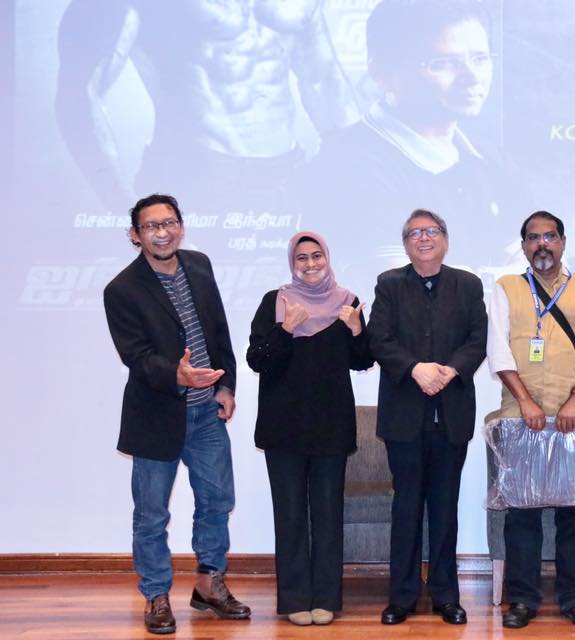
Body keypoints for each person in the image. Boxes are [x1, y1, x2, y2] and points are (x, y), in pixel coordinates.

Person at [297, 0, 516, 301]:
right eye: (443, 63)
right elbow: (407, 296)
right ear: (381, 72)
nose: (472, 76)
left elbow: (535, 268)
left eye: (480, 58)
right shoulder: (346, 166)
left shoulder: (488, 159)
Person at [103, 193, 250, 635]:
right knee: (152, 514)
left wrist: (226, 385)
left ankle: (209, 585)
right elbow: (136, 357)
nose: (162, 232)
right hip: (156, 416)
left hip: (207, 414)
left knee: (217, 502)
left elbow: (218, 329)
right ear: (136, 235)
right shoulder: (122, 289)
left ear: (181, 227)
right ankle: (156, 595)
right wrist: (177, 375)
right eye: (151, 226)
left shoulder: (199, 265)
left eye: (168, 223)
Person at [56, 0, 359, 213]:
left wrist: (356, 178)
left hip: (286, 175)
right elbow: (79, 98)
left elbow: (324, 81)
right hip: (192, 179)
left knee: (289, 286)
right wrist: (124, 208)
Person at [486, 210, 575, 629]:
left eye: (550, 236)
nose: (542, 244)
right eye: (534, 238)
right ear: (523, 246)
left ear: (563, 242)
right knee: (521, 513)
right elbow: (498, 350)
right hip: (521, 416)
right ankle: (522, 600)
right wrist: (525, 401)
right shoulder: (506, 288)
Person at [366, 209, 488, 626]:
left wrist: (450, 371)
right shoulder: (389, 284)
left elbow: (478, 339)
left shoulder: (467, 285)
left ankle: (445, 595)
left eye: (431, 231)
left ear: (445, 240)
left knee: (445, 509)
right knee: (406, 509)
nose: (423, 238)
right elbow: (378, 339)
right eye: (415, 232)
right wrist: (415, 369)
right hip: (404, 417)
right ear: (406, 244)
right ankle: (401, 597)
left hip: (451, 414)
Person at [246, 231, 373, 626]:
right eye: (302, 258)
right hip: (283, 429)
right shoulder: (276, 302)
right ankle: (295, 599)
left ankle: (326, 599)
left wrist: (356, 329)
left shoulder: (347, 302)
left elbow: (363, 360)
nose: (310, 263)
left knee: (328, 516)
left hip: (330, 427)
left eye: (317, 256)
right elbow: (257, 359)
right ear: (292, 263)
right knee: (290, 517)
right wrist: (286, 329)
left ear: (327, 258)